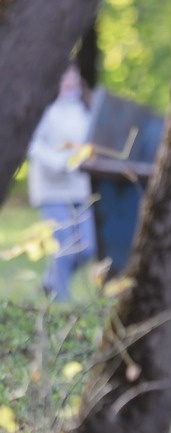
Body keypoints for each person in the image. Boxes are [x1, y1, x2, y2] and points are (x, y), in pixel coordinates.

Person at [27, 62, 97, 301]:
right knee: (64, 247)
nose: (69, 82)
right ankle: (61, 302)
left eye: (73, 77)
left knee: (88, 247)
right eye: (64, 77)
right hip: (52, 190)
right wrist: (60, 162)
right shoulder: (44, 110)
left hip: (81, 189)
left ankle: (50, 280)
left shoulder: (86, 109)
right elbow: (33, 145)